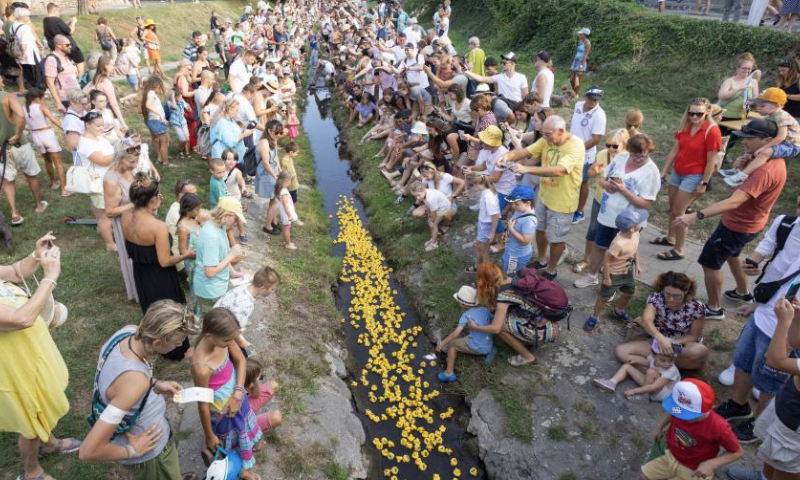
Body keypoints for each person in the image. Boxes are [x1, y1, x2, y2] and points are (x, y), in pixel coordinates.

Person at [673, 119, 787, 321]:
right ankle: (743, 292)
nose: (744, 142)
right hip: (749, 223)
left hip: (738, 225)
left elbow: (735, 201)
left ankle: (714, 308)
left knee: (710, 262)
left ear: (767, 140)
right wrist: (739, 167)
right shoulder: (765, 160)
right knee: (733, 255)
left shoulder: (765, 170)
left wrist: (696, 215)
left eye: (750, 138)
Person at [78, 300, 200, 480]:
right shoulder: (136, 383)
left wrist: (155, 383)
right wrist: (132, 450)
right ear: (158, 342)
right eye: (177, 342)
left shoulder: (127, 332)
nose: (179, 346)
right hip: (153, 457)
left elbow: (120, 376)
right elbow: (88, 451)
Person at [714, 198, 800, 443]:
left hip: (786, 329)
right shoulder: (786, 223)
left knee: (770, 383)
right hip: (763, 312)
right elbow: (769, 244)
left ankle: (759, 424)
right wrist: (753, 261)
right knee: (743, 362)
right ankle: (738, 405)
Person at [1, 233, 80, 480]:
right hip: (13, 367)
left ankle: (48, 442)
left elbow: (14, 272)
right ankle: (31, 472)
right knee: (31, 418)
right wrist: (50, 277)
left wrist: (36, 255)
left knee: (42, 400)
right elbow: (21, 319)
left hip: (29, 353)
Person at [498, 116, 585, 280]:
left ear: (561, 131)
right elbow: (526, 151)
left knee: (556, 239)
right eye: (543, 134)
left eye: (548, 134)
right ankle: (541, 259)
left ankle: (551, 269)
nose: (544, 137)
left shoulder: (576, 145)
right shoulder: (546, 140)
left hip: (563, 201)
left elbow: (560, 170)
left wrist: (525, 168)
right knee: (539, 229)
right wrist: (508, 157)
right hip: (544, 196)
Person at [726, 297, 800, 480]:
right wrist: (796, 320)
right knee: (771, 450)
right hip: (785, 406)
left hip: (794, 425)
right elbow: (794, 342)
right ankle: (764, 477)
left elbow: (775, 360)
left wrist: (783, 321)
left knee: (785, 465)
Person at [575, 134, 660, 290]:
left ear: (649, 151)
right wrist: (607, 185)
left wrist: (623, 190)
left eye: (642, 156)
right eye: (633, 154)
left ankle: (612, 285)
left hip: (627, 222)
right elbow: (603, 179)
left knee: (618, 253)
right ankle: (592, 275)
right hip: (607, 214)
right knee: (600, 246)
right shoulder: (621, 158)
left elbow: (646, 204)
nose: (636, 158)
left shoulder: (652, 172)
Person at [190, 308, 264, 479]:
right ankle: (241, 470)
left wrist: (238, 393)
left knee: (244, 429)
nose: (231, 342)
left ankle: (247, 454)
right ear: (209, 336)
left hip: (238, 400)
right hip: (224, 415)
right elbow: (203, 406)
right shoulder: (201, 368)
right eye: (227, 340)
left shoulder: (223, 338)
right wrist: (209, 436)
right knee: (230, 442)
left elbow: (240, 360)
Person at [654, 97, 722, 261]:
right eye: (691, 113)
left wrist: (703, 183)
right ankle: (671, 238)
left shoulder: (711, 130)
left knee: (679, 211)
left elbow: (712, 161)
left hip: (695, 175)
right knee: (673, 207)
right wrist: (664, 171)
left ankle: (679, 249)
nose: (694, 117)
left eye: (698, 114)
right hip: (678, 171)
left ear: (707, 112)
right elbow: (675, 150)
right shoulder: (686, 125)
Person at [122, 173, 193, 319]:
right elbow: (165, 261)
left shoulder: (125, 215)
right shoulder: (158, 227)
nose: (160, 197)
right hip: (160, 278)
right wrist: (186, 255)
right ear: (153, 199)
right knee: (169, 315)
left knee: (152, 313)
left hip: (140, 273)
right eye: (159, 195)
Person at [640, 379, 743, 480]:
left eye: (688, 415)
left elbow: (737, 452)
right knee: (644, 477)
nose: (681, 416)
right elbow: (673, 412)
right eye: (680, 410)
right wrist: (659, 426)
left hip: (694, 468)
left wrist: (711, 464)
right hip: (668, 452)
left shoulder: (719, 427)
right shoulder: (679, 409)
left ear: (709, 408)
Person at [616, 271, 709, 371]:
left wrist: (672, 343)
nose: (671, 299)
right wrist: (661, 339)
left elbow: (693, 336)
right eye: (667, 294)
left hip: (681, 345)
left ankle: (654, 365)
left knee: (699, 351)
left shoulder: (697, 307)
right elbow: (647, 321)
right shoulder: (656, 298)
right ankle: (664, 368)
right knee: (621, 351)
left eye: (677, 296)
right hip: (657, 342)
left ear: (686, 293)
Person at [574, 128, 629, 274]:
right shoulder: (603, 154)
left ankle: (608, 264)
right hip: (600, 200)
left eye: (615, 146)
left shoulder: (628, 160)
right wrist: (595, 171)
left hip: (619, 206)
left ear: (625, 145)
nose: (611, 148)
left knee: (615, 235)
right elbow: (590, 173)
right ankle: (587, 260)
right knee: (593, 230)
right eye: (608, 145)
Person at [721, 88, 800, 186]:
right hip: (782, 142)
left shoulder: (782, 116)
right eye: (757, 105)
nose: (758, 108)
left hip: (792, 145)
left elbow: (781, 137)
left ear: (778, 105)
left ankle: (742, 176)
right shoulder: (770, 115)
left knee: (765, 152)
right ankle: (737, 170)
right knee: (751, 149)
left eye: (762, 105)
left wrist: (764, 148)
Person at [193, 198, 246, 311]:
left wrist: (233, 273)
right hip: (210, 291)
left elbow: (220, 257)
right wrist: (232, 255)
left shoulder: (219, 226)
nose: (236, 222)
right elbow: (210, 272)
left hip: (216, 287)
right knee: (212, 325)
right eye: (235, 218)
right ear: (225, 215)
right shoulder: (212, 237)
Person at [435, 285, 496, 383]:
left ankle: (449, 373)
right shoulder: (485, 309)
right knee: (475, 336)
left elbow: (455, 334)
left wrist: (442, 343)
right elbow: (493, 319)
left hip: (478, 347)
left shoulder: (466, 315)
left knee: (453, 344)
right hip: (488, 342)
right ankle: (490, 350)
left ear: (463, 304)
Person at [215, 266, 281, 355]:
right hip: (218, 331)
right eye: (272, 289)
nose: (272, 291)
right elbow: (234, 329)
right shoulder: (247, 305)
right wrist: (242, 342)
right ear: (263, 287)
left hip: (214, 316)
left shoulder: (244, 286)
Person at [593, 339, 680, 404]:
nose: (667, 364)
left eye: (671, 360)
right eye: (663, 360)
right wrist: (636, 361)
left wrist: (634, 391)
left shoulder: (671, 370)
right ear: (654, 355)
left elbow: (655, 387)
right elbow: (648, 362)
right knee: (627, 366)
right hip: (650, 382)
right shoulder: (653, 358)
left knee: (651, 372)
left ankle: (645, 396)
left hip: (661, 393)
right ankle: (612, 382)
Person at [77, 111, 116, 250]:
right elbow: (103, 160)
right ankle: (110, 243)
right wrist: (120, 152)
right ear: (88, 125)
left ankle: (102, 228)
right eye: (98, 126)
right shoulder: (87, 143)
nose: (102, 128)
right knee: (104, 215)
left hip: (104, 179)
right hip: (99, 182)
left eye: (102, 125)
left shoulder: (96, 137)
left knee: (98, 207)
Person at [104, 151, 139, 303]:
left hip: (138, 219)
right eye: (131, 163)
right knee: (133, 256)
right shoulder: (111, 181)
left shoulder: (129, 170)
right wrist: (136, 203)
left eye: (136, 162)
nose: (135, 166)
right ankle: (138, 290)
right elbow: (110, 211)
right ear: (120, 158)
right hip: (125, 224)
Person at [570, 86, 607, 224]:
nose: (593, 102)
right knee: (570, 179)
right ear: (585, 96)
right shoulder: (578, 105)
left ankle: (579, 211)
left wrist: (578, 148)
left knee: (583, 182)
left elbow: (596, 139)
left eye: (596, 100)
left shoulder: (599, 115)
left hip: (585, 155)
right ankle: (570, 204)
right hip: (572, 150)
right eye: (591, 99)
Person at [23, 89, 65, 197]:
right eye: (42, 98)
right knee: (58, 163)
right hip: (46, 134)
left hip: (35, 136)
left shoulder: (24, 109)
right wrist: (65, 129)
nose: (43, 100)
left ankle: (53, 183)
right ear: (37, 98)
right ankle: (64, 189)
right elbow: (54, 120)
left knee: (47, 160)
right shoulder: (41, 107)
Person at [84, 55, 129, 131]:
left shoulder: (96, 77)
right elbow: (114, 104)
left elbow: (84, 91)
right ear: (106, 66)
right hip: (108, 115)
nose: (113, 67)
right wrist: (123, 123)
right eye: (112, 65)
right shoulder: (105, 82)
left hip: (98, 113)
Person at [502, 185, 537, 277]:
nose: (513, 206)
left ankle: (509, 290)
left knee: (510, 276)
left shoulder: (529, 221)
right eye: (512, 203)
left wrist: (511, 229)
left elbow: (525, 241)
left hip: (516, 256)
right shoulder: (521, 210)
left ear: (528, 203)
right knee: (508, 272)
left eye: (517, 204)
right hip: (512, 250)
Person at [42, 3, 84, 76]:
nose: (59, 13)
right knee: (80, 59)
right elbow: (70, 31)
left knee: (66, 62)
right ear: (54, 11)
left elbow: (59, 26)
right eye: (58, 11)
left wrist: (68, 22)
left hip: (55, 47)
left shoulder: (46, 20)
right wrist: (73, 22)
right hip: (68, 46)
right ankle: (81, 78)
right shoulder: (58, 20)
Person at [244, 358, 283, 433]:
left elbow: (256, 394)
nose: (261, 378)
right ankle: (254, 436)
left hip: (247, 406)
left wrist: (255, 382)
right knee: (277, 417)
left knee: (274, 385)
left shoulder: (243, 385)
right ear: (250, 384)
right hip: (242, 423)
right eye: (260, 378)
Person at [43, 34, 80, 113]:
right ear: (59, 45)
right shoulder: (52, 59)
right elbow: (50, 83)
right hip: (66, 99)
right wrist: (58, 103)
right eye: (67, 45)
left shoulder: (67, 57)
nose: (70, 46)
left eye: (70, 45)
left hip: (77, 95)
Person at [140, 76, 170, 166]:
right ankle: (165, 162)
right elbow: (148, 105)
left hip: (151, 120)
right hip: (155, 120)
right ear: (156, 85)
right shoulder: (151, 93)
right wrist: (160, 114)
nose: (160, 89)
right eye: (160, 86)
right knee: (164, 141)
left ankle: (161, 158)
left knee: (160, 139)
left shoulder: (147, 93)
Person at [276, 170, 300, 250]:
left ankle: (286, 241)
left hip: (285, 213)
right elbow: (285, 205)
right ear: (286, 181)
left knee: (287, 227)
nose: (291, 183)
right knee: (286, 228)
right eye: (290, 181)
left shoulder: (281, 189)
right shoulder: (284, 192)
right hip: (286, 214)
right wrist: (289, 215)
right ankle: (288, 244)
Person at [570, 28, 592, 95]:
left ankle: (575, 94)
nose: (579, 35)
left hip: (581, 62)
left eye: (581, 34)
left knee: (577, 79)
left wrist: (581, 66)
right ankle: (573, 91)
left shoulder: (588, 43)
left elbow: (585, 55)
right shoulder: (581, 41)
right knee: (571, 79)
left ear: (585, 35)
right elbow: (578, 52)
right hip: (575, 61)